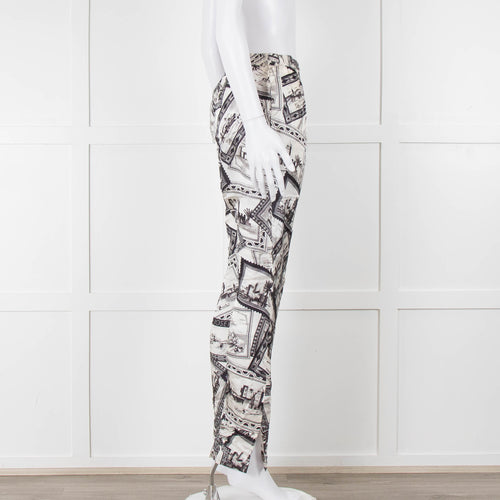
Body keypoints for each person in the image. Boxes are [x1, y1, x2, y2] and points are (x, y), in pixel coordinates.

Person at [191, 1, 313, 499]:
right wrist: (254, 121)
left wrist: (231, 106)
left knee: (255, 280)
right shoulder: (260, 96)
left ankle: (243, 459)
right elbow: (223, 25)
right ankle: (244, 467)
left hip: (258, 93)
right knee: (252, 286)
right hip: (264, 95)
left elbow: (210, 34)